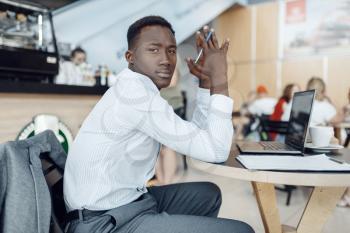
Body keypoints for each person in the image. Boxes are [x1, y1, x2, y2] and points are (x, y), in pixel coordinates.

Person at [63, 16, 254, 233]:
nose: (166, 59)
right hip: (101, 222)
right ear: (130, 57)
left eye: (171, 51)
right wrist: (220, 75)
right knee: (241, 231)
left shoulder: (139, 89)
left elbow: (200, 139)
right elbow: (217, 150)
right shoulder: (135, 97)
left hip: (128, 202)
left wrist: (206, 83)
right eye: (154, 50)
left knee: (208, 195)